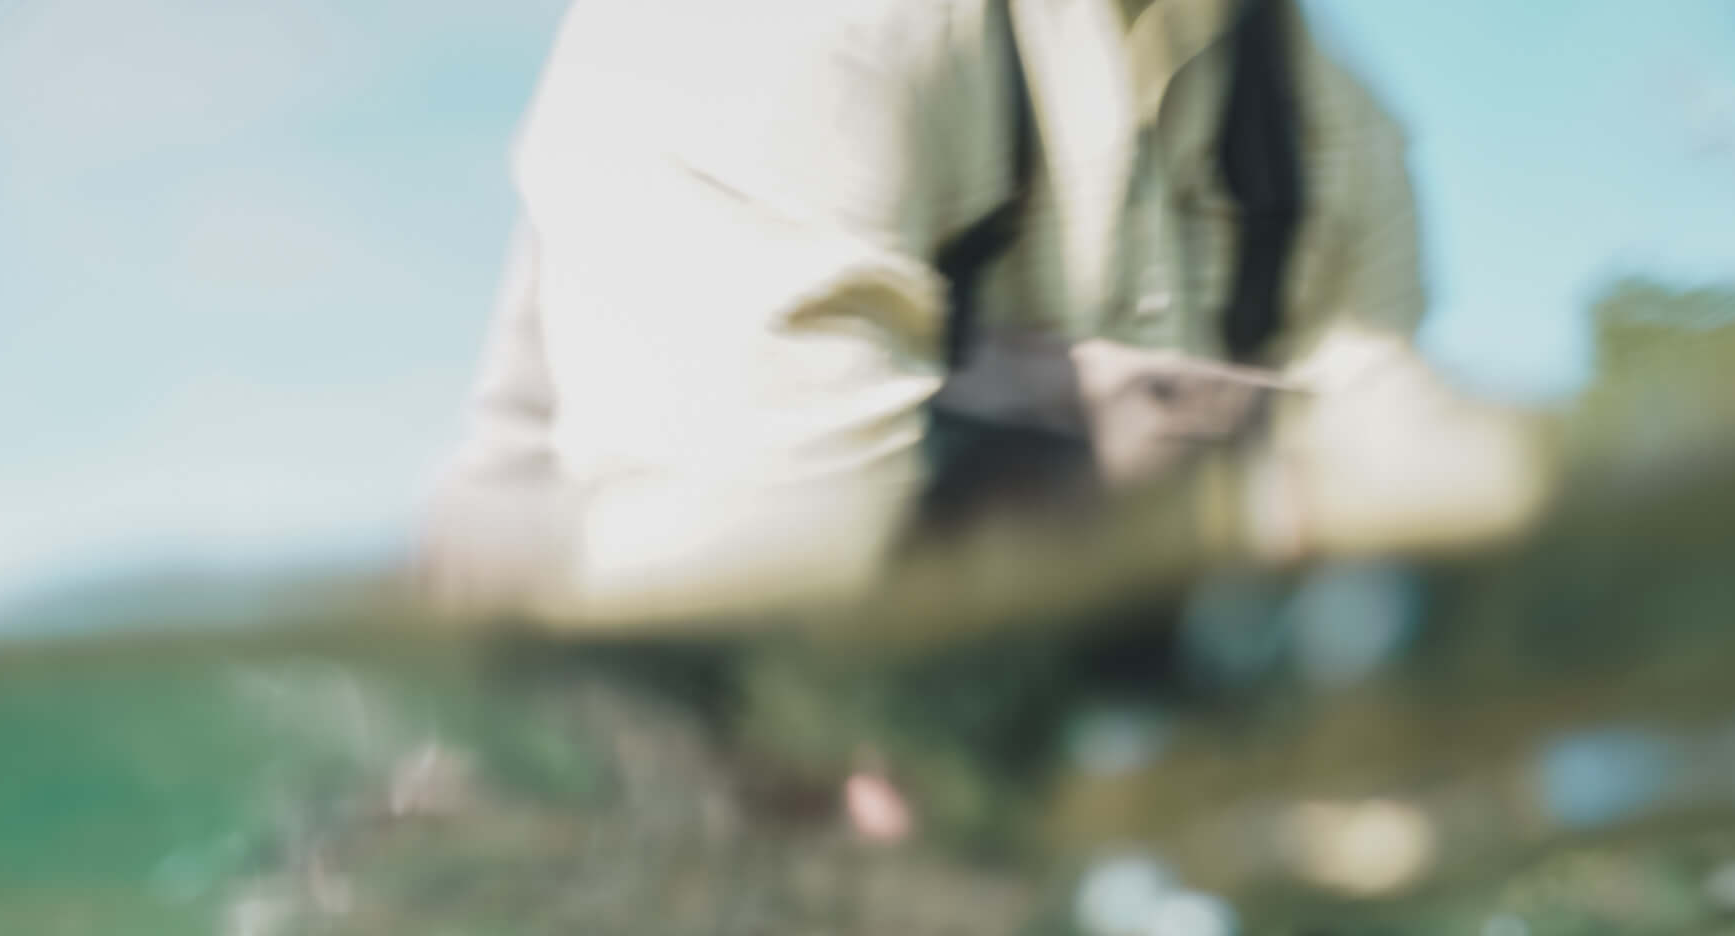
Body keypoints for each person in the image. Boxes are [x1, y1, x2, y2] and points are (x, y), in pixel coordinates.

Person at [419, 0, 1547, 628]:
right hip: (595, 763)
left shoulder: (1327, 116)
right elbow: (744, 617)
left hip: (1020, 700)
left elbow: (1410, 516)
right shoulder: (772, 33)